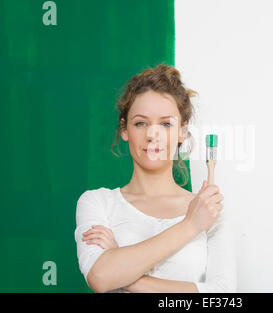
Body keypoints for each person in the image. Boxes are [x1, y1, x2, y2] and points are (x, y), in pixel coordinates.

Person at [74, 64, 237, 293]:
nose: (152, 135)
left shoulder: (208, 210)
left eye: (165, 124)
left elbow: (222, 295)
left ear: (182, 131)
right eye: (141, 123)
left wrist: (125, 274)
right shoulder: (97, 202)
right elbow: (100, 277)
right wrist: (190, 226)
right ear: (124, 129)